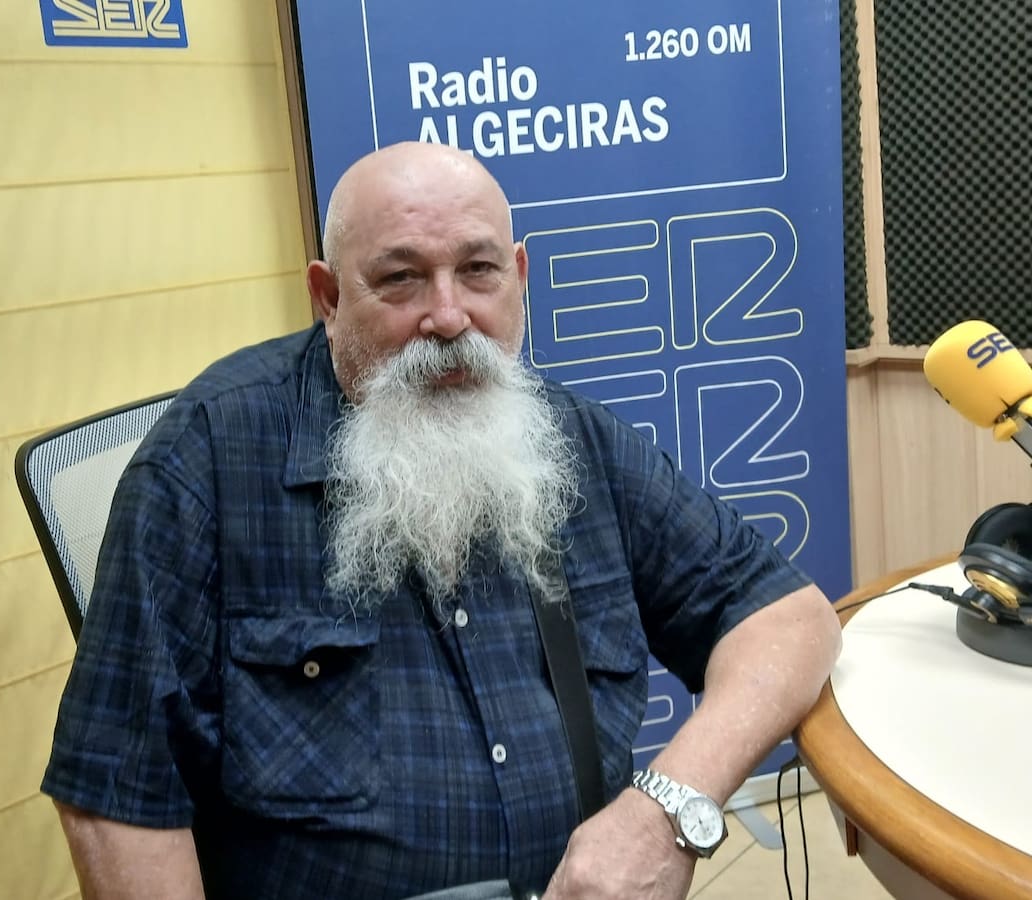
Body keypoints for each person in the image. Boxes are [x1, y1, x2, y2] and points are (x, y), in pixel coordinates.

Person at [42, 141, 842, 900]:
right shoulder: (209, 458)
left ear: (519, 277)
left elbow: (787, 618)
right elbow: (117, 787)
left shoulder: (578, 446)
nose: (450, 316)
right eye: (401, 280)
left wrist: (662, 813)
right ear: (327, 297)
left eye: (479, 270)